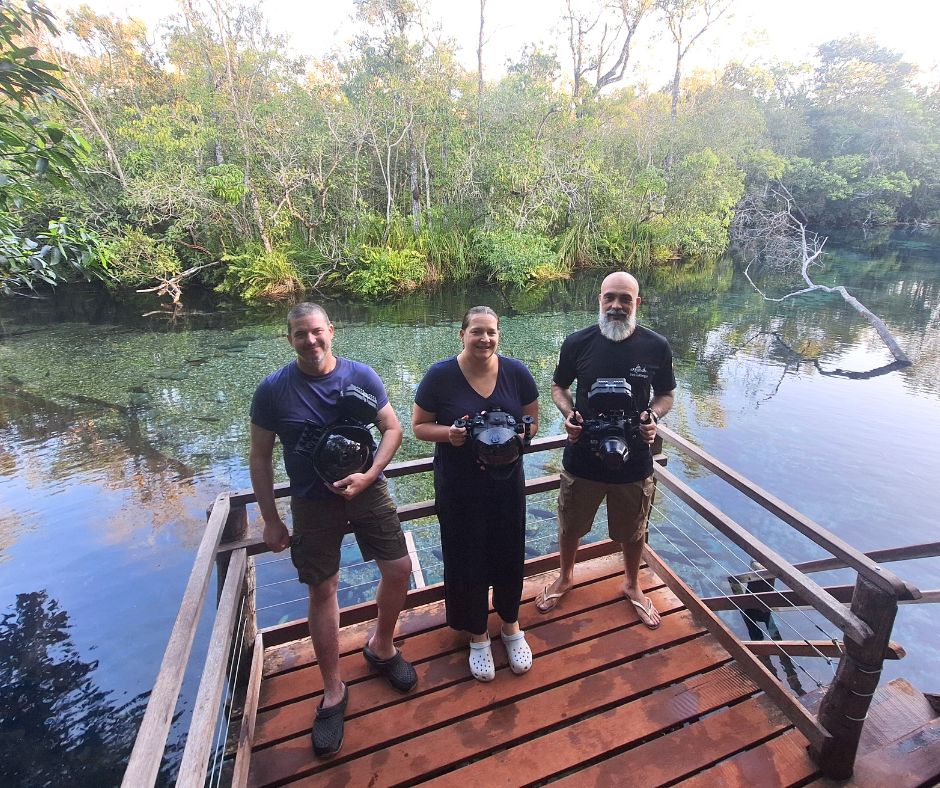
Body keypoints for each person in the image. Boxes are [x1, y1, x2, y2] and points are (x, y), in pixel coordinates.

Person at [249, 303, 416, 759]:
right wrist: (270, 517)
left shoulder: (361, 376)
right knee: (323, 590)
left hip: (368, 488)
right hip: (310, 501)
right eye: (301, 334)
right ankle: (333, 691)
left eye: (317, 332)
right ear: (289, 339)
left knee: (399, 569)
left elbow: (392, 428)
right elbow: (259, 457)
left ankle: (381, 647)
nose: (311, 341)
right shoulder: (273, 391)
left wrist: (370, 474)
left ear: (332, 332)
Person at [535, 272, 676, 628]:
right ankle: (566, 577)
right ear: (599, 300)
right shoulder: (577, 342)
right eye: (610, 298)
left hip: (635, 459)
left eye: (625, 299)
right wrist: (569, 414)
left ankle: (632, 584)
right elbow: (558, 386)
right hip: (583, 455)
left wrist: (652, 417)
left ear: (636, 303)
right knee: (571, 524)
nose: (616, 305)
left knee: (633, 529)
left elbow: (666, 395)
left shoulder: (656, 345)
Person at [412, 306, 539, 681]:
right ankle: (477, 633)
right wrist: (450, 434)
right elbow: (419, 427)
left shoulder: (516, 372)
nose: (485, 339)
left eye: (491, 332)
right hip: (459, 486)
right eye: (477, 332)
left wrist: (515, 438)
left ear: (498, 335)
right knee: (465, 556)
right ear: (462, 334)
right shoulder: (440, 375)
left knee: (509, 551)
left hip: (507, 484)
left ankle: (511, 624)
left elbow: (531, 423)